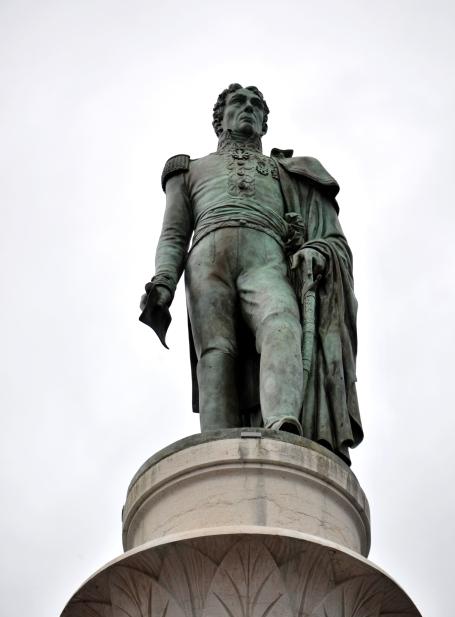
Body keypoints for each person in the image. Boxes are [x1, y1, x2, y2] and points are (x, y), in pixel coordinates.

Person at [140, 83, 362, 464]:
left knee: (281, 322)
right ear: (220, 119)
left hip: (267, 256)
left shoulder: (285, 172)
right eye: (238, 103)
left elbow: (323, 232)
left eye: (256, 106)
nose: (248, 109)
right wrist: (163, 281)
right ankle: (217, 446)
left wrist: (315, 250)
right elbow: (174, 233)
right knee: (215, 351)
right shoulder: (189, 170)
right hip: (207, 258)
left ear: (264, 123)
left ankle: (282, 422)